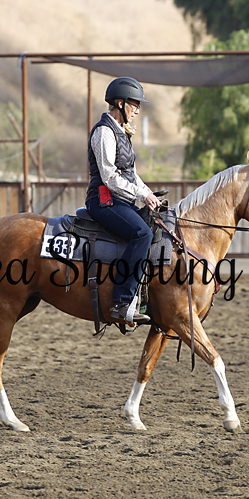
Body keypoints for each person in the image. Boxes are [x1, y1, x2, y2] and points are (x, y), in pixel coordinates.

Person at [85, 77, 159, 324]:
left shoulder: (122, 133)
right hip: (103, 201)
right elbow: (109, 177)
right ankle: (121, 302)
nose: (137, 110)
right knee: (142, 234)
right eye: (134, 104)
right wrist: (141, 195)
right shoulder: (104, 132)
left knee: (154, 227)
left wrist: (149, 194)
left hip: (121, 201)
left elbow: (132, 175)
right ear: (120, 103)